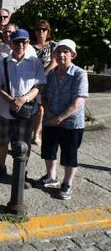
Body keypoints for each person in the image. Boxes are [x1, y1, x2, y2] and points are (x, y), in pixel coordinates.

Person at [35, 39, 88, 200]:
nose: (61, 54)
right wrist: (50, 115)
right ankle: (51, 176)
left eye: (65, 51)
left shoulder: (79, 73)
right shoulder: (51, 74)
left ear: (73, 54)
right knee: (49, 150)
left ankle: (67, 184)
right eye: (58, 51)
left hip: (71, 123)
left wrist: (60, 118)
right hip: (51, 119)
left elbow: (78, 101)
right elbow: (43, 96)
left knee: (69, 154)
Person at [0, 29, 46, 179]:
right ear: (10, 43)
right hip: (5, 108)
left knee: (24, 142)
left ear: (28, 42)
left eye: (24, 42)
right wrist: (10, 100)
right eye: (16, 42)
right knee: (3, 141)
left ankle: (22, 170)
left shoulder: (35, 62)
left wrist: (23, 99)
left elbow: (39, 85)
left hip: (26, 109)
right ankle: (1, 166)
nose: (20, 45)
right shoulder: (3, 62)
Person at [31, 19, 57, 145]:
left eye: (44, 29)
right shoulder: (30, 47)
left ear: (48, 31)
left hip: (48, 81)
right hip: (32, 82)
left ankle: (37, 134)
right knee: (34, 108)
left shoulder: (53, 46)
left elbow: (54, 63)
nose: (41, 32)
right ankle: (32, 131)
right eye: (38, 29)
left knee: (42, 108)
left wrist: (42, 75)